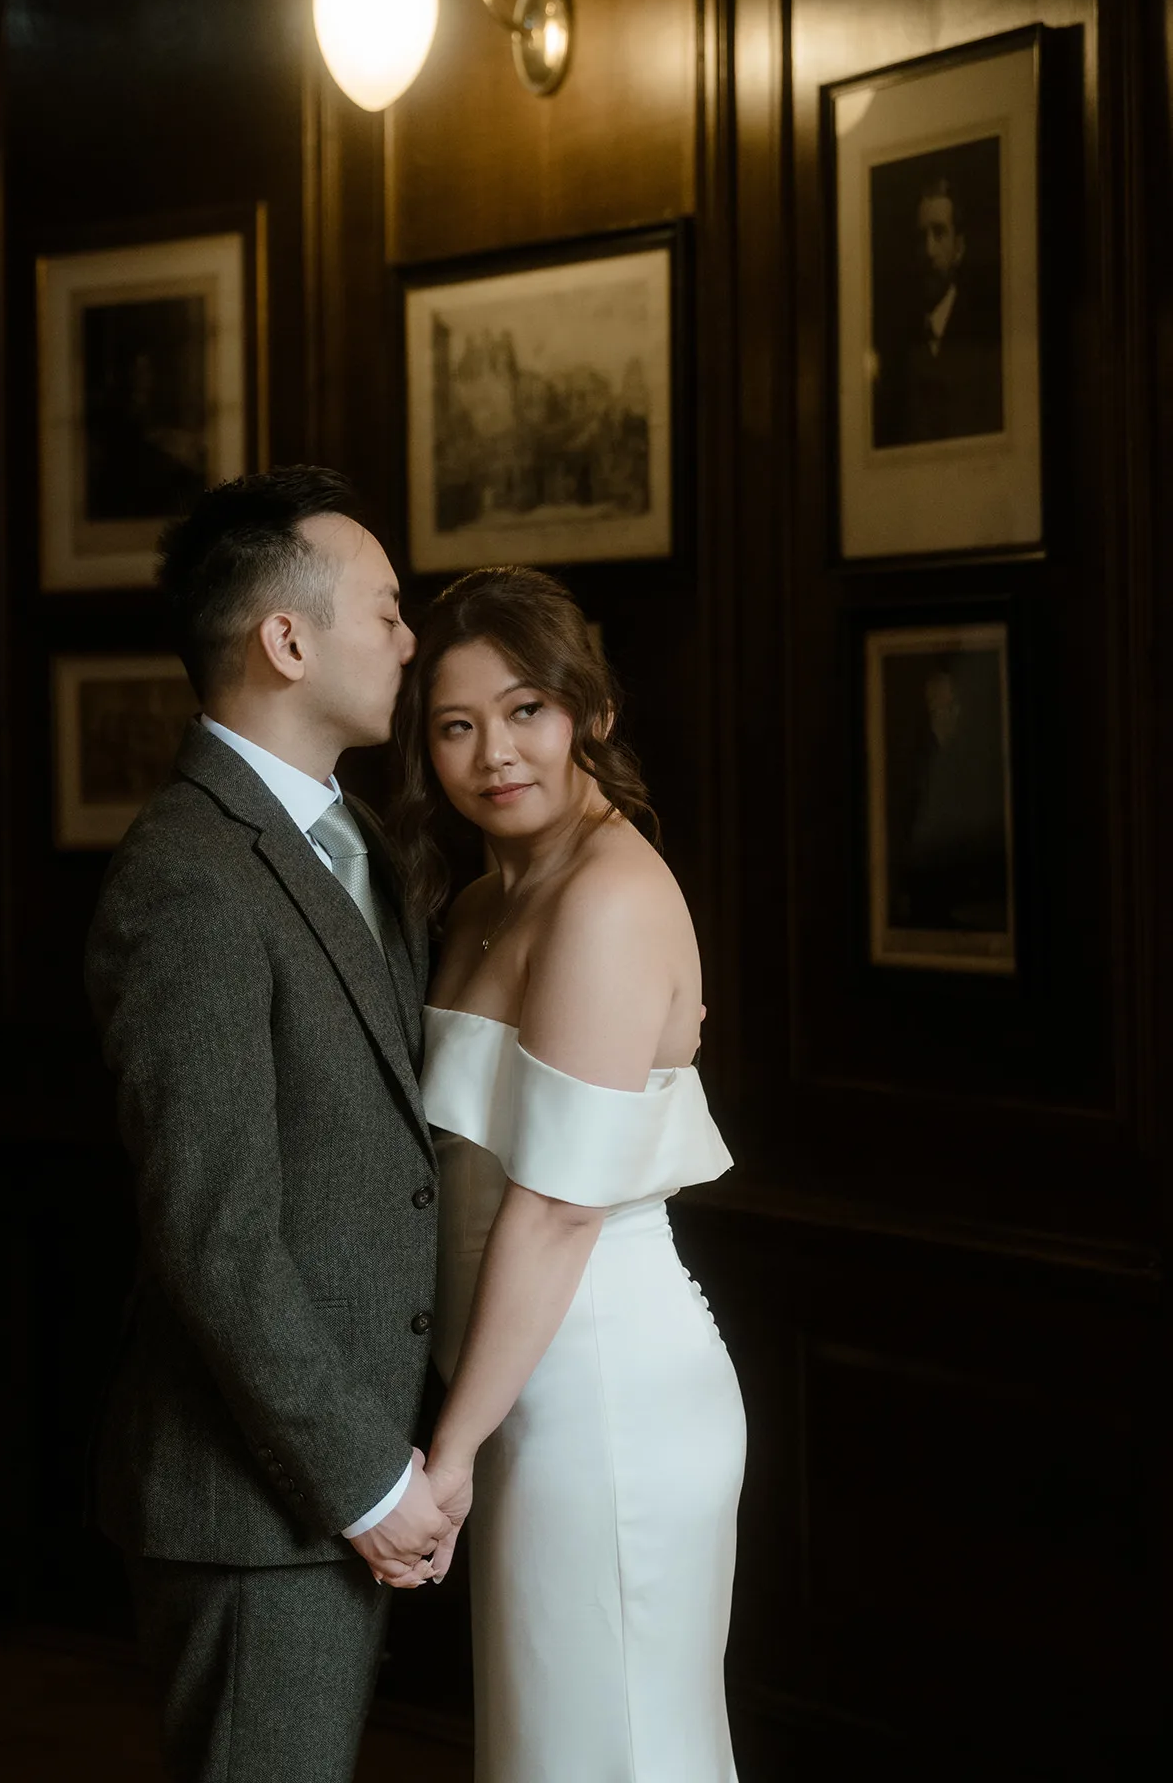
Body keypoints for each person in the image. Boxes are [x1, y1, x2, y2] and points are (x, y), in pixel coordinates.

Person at [84, 466, 460, 1783]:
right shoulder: (186, 878)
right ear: (285, 639)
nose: (411, 641)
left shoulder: (356, 838)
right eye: (387, 610)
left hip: (353, 1467)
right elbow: (215, 1235)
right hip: (259, 1498)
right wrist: (363, 1478)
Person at [391, 566, 745, 1783]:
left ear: (589, 710)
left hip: (604, 1383)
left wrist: (442, 1459)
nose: (494, 751)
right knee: (552, 1748)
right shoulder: (489, 894)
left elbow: (552, 1207)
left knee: (615, 1752)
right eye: (454, 723)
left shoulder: (604, 893)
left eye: (526, 707)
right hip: (520, 1386)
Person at [872, 172, 1004, 448]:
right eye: (921, 237)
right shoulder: (894, 342)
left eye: (939, 233)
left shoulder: (987, 338)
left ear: (959, 247)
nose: (928, 250)